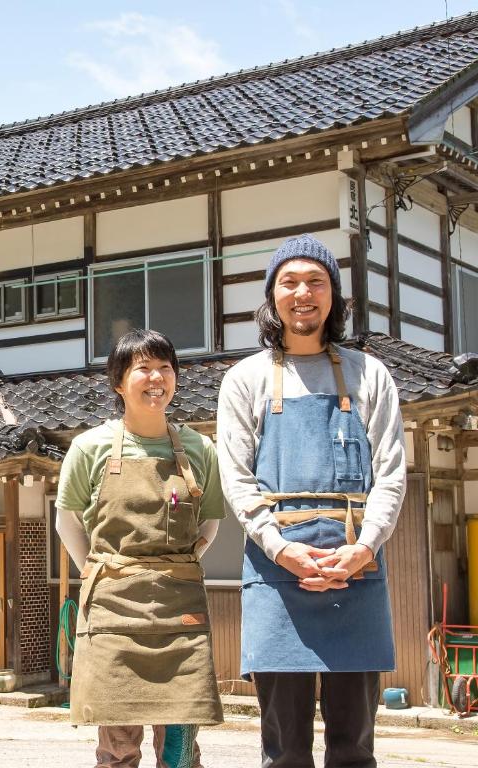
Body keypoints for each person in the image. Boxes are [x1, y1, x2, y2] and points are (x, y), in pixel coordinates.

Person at [216, 234, 406, 767]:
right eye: (290, 282)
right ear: (272, 297)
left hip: (357, 569)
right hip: (278, 575)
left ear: (335, 297)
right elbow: (237, 480)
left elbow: (391, 473)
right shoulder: (244, 379)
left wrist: (365, 548)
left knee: (355, 747)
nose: (304, 293)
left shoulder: (371, 374)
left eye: (316, 281)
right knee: (284, 749)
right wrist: (282, 550)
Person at [56, 329, 225, 768]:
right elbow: (66, 520)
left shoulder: (198, 448)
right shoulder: (89, 447)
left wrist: (183, 565)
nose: (157, 378)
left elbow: (211, 519)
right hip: (112, 607)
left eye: (165, 368)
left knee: (181, 751)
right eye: (143, 369)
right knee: (117, 747)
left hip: (179, 608)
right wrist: (98, 569)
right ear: (119, 382)